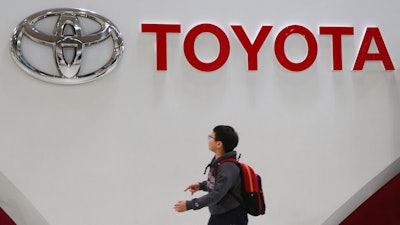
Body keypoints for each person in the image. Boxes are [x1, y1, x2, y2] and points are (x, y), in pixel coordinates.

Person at [174, 125, 248, 225]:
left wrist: (190, 205)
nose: (208, 139)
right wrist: (201, 185)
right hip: (220, 215)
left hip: (231, 216)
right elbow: (218, 183)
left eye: (211, 137)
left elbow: (216, 195)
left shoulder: (228, 167)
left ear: (219, 144)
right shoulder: (219, 162)